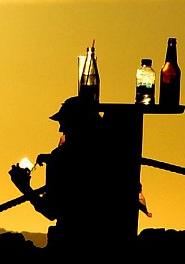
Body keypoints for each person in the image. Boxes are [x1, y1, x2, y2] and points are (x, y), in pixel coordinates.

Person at [9, 96, 145, 252]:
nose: (61, 129)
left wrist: (24, 187)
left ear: (77, 125)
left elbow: (50, 211)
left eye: (64, 123)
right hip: (110, 244)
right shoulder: (114, 155)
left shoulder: (60, 159)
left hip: (70, 243)